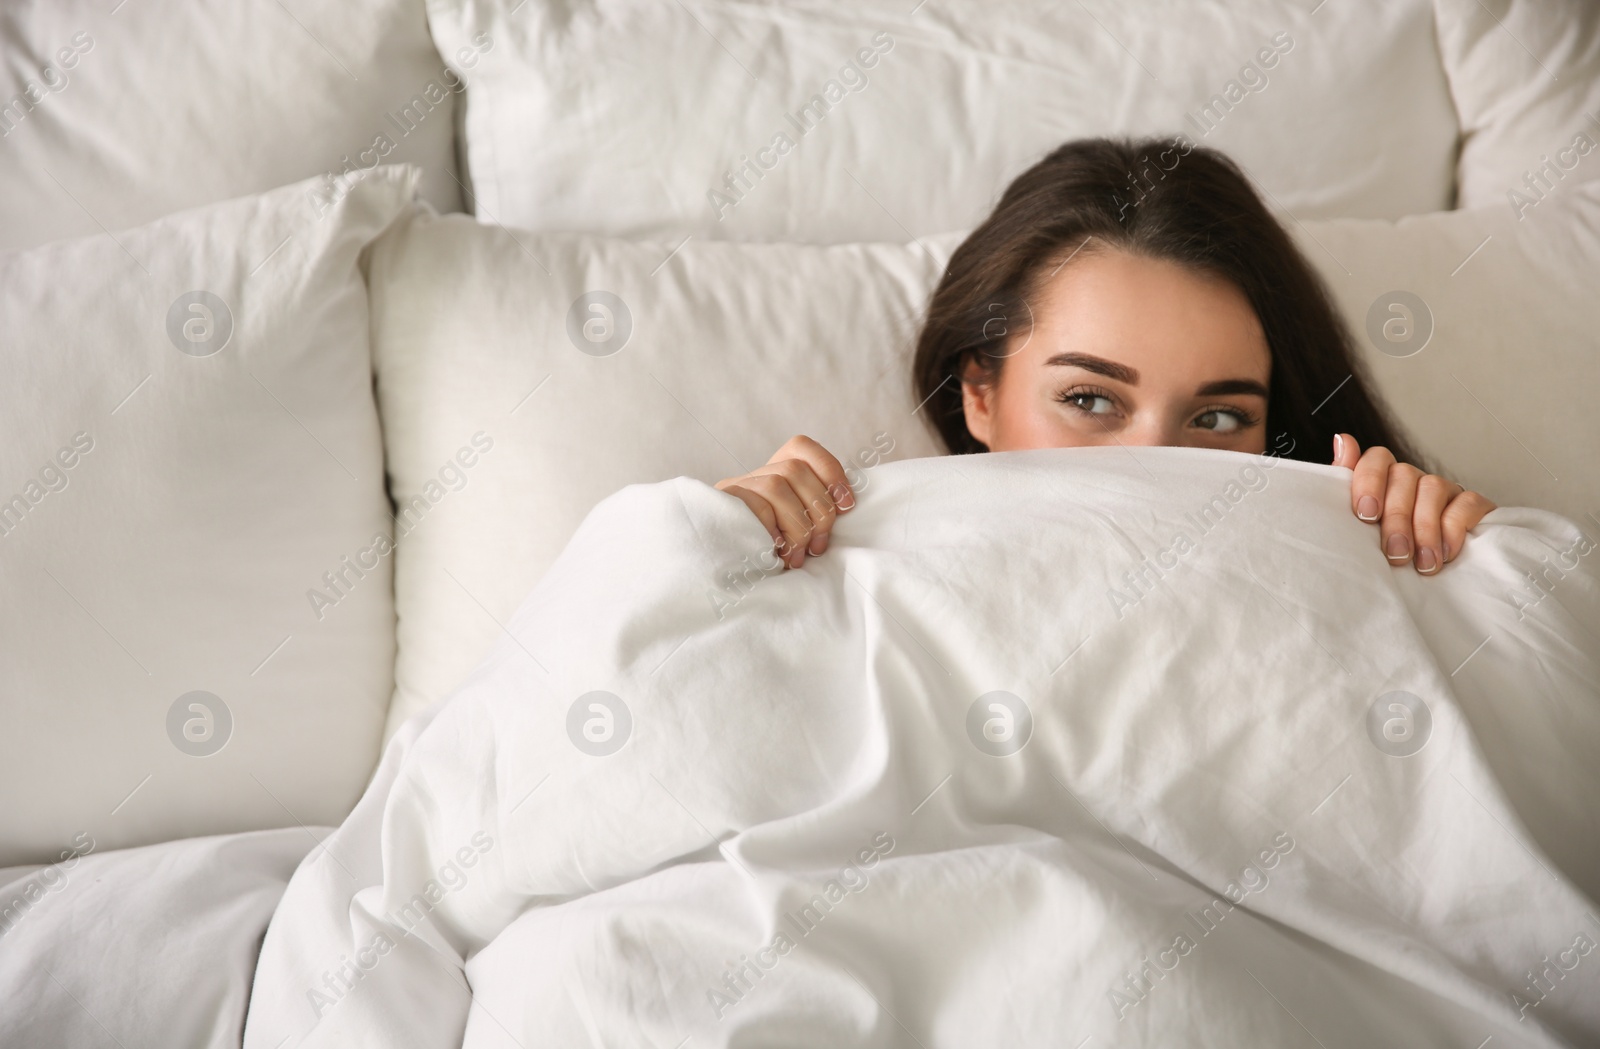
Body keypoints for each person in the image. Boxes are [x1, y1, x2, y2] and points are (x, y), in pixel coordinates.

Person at [716, 136, 1495, 575]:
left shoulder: (1357, 565)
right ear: (979, 394)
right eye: (1090, 399)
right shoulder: (845, 568)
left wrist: (1476, 567)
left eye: (1219, 416)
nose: (1151, 462)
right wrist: (716, 548)